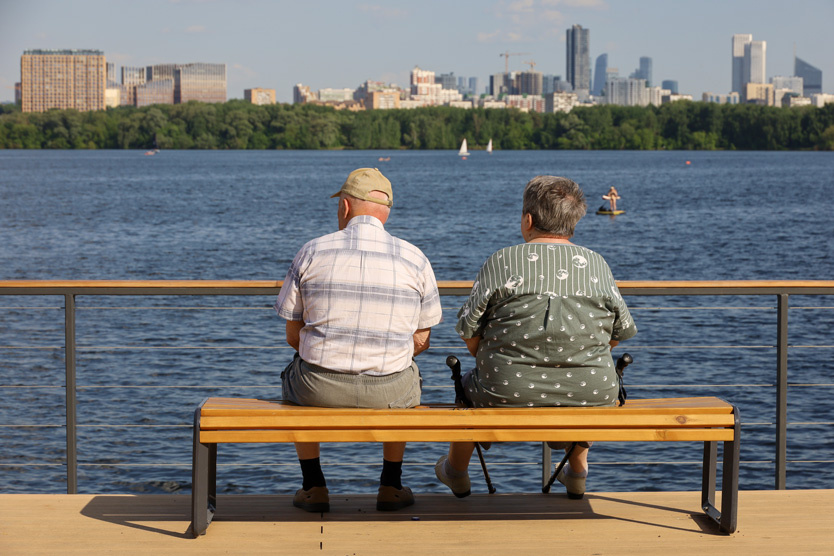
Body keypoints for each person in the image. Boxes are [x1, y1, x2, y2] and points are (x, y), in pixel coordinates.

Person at [435, 175, 637, 499]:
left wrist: (498, 356)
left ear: (527, 220)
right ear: (573, 221)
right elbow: (620, 332)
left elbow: (468, 332)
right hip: (593, 392)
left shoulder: (502, 261)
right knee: (585, 380)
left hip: (504, 388)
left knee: (467, 388)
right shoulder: (597, 264)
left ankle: (456, 470)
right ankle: (577, 471)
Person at [275, 167, 443, 513]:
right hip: (390, 392)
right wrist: (389, 355)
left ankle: (313, 486)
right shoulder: (415, 258)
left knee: (295, 373)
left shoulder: (312, 251)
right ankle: (391, 485)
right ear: (386, 212)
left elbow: (294, 335)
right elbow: (422, 339)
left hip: (318, 388)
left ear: (346, 208)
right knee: (408, 374)